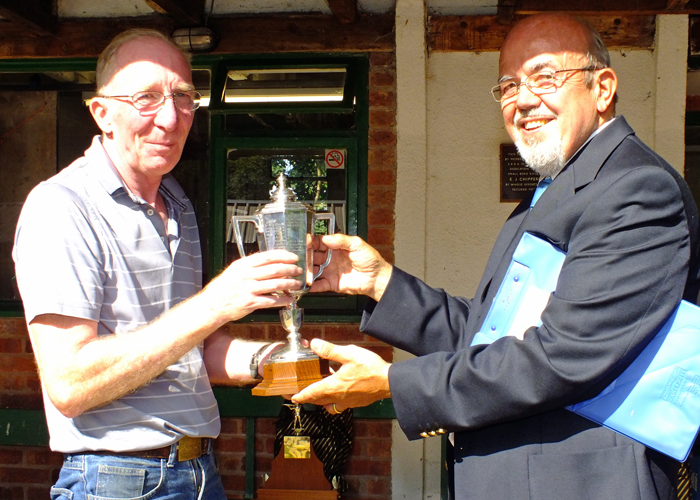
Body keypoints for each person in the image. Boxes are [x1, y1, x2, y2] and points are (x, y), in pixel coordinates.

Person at [293, 13, 700, 500]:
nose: (523, 99)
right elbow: (487, 338)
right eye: (508, 85)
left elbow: (560, 358)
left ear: (603, 88)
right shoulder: (554, 191)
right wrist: (380, 283)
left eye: (545, 76)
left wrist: (393, 384)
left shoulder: (636, 189)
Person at [12, 29, 300, 500]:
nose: (170, 118)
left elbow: (190, 351)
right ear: (101, 113)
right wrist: (216, 304)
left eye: (183, 96)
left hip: (200, 471)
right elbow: (70, 384)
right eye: (146, 97)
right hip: (116, 480)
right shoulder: (61, 206)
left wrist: (282, 362)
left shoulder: (176, 202)